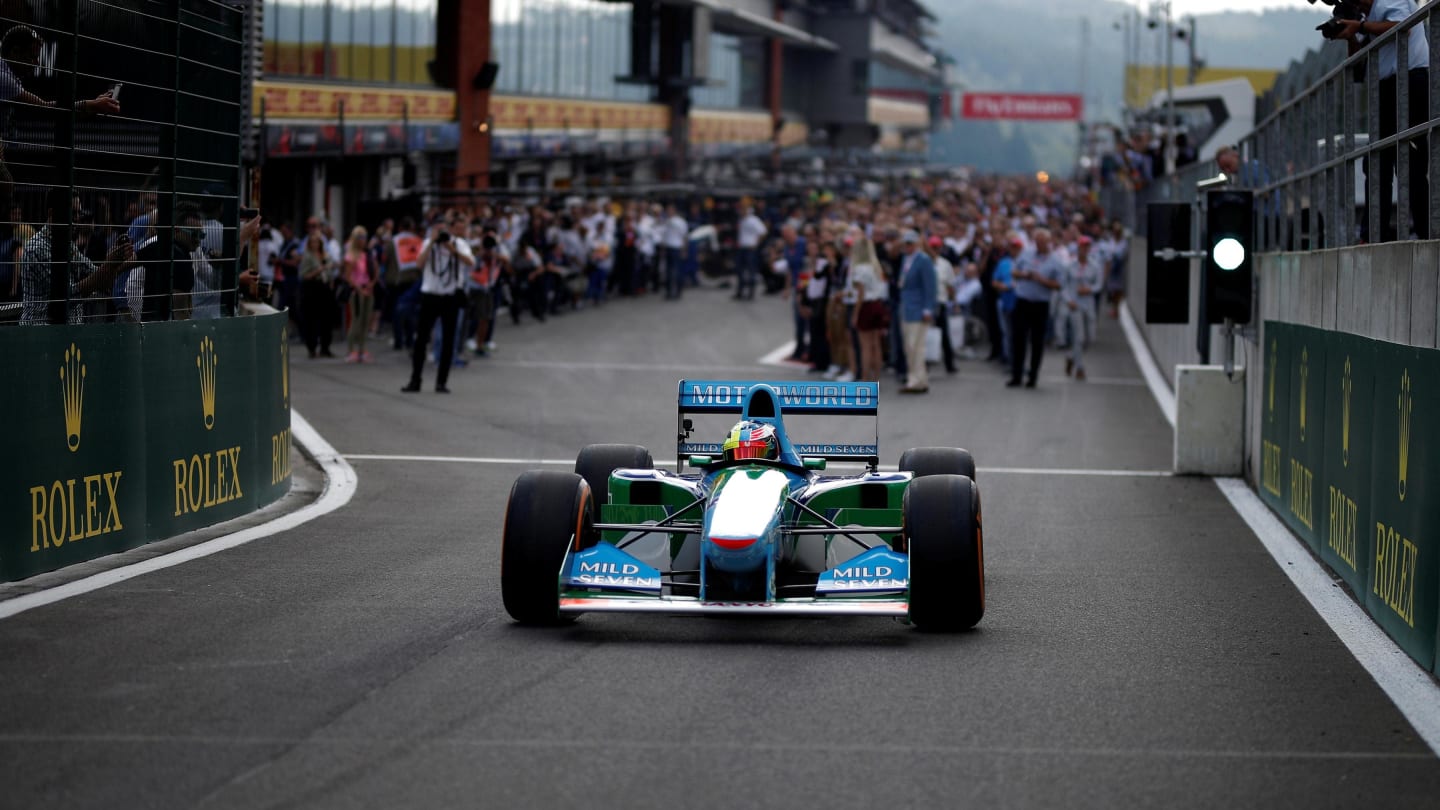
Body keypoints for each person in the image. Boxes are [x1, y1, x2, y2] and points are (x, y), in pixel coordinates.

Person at [1338, 0, 1430, 241]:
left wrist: (1361, 25)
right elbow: (1357, 66)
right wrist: (1350, 36)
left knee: (1411, 163)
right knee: (1377, 163)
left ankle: (1426, 231)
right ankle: (1372, 234)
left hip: (1410, 80)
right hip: (1387, 86)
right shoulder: (1370, 17)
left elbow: (1402, 26)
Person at [20, 188, 132, 324]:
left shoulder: (67, 245)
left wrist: (115, 262)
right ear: (52, 213)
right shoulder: (37, 249)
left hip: (66, 333)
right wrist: (109, 264)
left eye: (78, 213)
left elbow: (98, 277)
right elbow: (67, 296)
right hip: (39, 335)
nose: (77, 220)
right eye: (72, 213)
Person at [403, 218, 473, 393]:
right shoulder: (428, 243)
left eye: (444, 230)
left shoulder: (459, 244)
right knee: (421, 340)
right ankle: (415, 380)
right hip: (430, 295)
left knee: (448, 341)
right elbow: (418, 264)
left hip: (450, 297)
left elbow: (470, 262)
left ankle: (441, 382)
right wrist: (432, 242)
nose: (442, 233)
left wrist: (451, 249)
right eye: (438, 229)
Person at [1008, 228, 1064, 388]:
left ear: (1048, 243)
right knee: (1018, 339)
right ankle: (1016, 375)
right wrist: (1024, 275)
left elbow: (1059, 285)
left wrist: (1042, 280)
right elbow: (1014, 271)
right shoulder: (1026, 254)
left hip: (1040, 304)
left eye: (1042, 242)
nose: (1038, 245)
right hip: (1023, 301)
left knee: (1037, 341)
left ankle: (1033, 376)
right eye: (1036, 242)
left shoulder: (1056, 261)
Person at [896, 230, 937, 394]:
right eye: (906, 243)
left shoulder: (923, 260)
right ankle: (915, 377)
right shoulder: (906, 259)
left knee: (916, 346)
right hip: (906, 307)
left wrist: (928, 308)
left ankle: (917, 380)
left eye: (910, 243)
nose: (907, 247)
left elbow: (930, 287)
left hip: (918, 308)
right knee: (909, 346)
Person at [849, 236, 890, 382]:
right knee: (876, 343)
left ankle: (865, 378)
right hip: (877, 304)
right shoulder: (876, 267)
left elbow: (860, 293)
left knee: (865, 345)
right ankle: (876, 377)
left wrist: (855, 313)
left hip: (866, 306)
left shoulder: (859, 269)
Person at [1063, 235, 1103, 381]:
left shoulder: (1095, 266)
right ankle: (1080, 368)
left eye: (1087, 247)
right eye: (1082, 247)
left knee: (1089, 338)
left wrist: (1089, 289)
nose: (1084, 250)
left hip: (1088, 304)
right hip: (1075, 304)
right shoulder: (1070, 266)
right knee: (1079, 337)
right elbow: (1064, 286)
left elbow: (1099, 284)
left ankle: (1071, 356)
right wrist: (1069, 300)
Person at [296, 231, 336, 357]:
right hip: (312, 288)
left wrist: (330, 280)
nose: (315, 244)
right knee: (311, 319)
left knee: (327, 319)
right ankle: (312, 347)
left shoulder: (325, 254)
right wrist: (318, 271)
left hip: (325, 287)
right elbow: (303, 275)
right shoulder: (307, 256)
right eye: (312, 242)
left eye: (317, 242)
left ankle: (325, 347)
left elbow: (330, 269)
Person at [343, 226, 375, 363]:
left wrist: (372, 283)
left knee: (365, 321)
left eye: (364, 237)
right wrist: (359, 288)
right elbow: (347, 276)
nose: (363, 241)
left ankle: (362, 349)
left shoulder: (367, 254)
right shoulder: (351, 255)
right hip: (356, 291)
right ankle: (351, 350)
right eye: (360, 238)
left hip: (368, 289)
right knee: (356, 321)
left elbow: (375, 270)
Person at [927, 236, 958, 375]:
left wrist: (954, 302)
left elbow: (950, 285)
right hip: (927, 303)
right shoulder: (923, 261)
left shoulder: (945, 264)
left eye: (936, 247)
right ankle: (926, 363)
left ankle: (949, 364)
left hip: (941, 301)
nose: (934, 249)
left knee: (944, 334)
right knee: (926, 334)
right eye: (932, 247)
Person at [734, 205, 766, 300]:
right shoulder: (742, 220)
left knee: (751, 271)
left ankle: (751, 293)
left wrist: (756, 243)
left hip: (750, 249)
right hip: (742, 248)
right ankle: (740, 291)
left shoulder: (753, 220)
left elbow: (763, 232)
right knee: (740, 270)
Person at [661, 204, 687, 300]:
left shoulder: (679, 222)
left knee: (676, 271)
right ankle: (669, 292)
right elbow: (664, 237)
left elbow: (684, 236)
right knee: (668, 271)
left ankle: (678, 291)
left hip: (677, 248)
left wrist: (684, 250)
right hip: (669, 248)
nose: (668, 212)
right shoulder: (666, 221)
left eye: (670, 210)